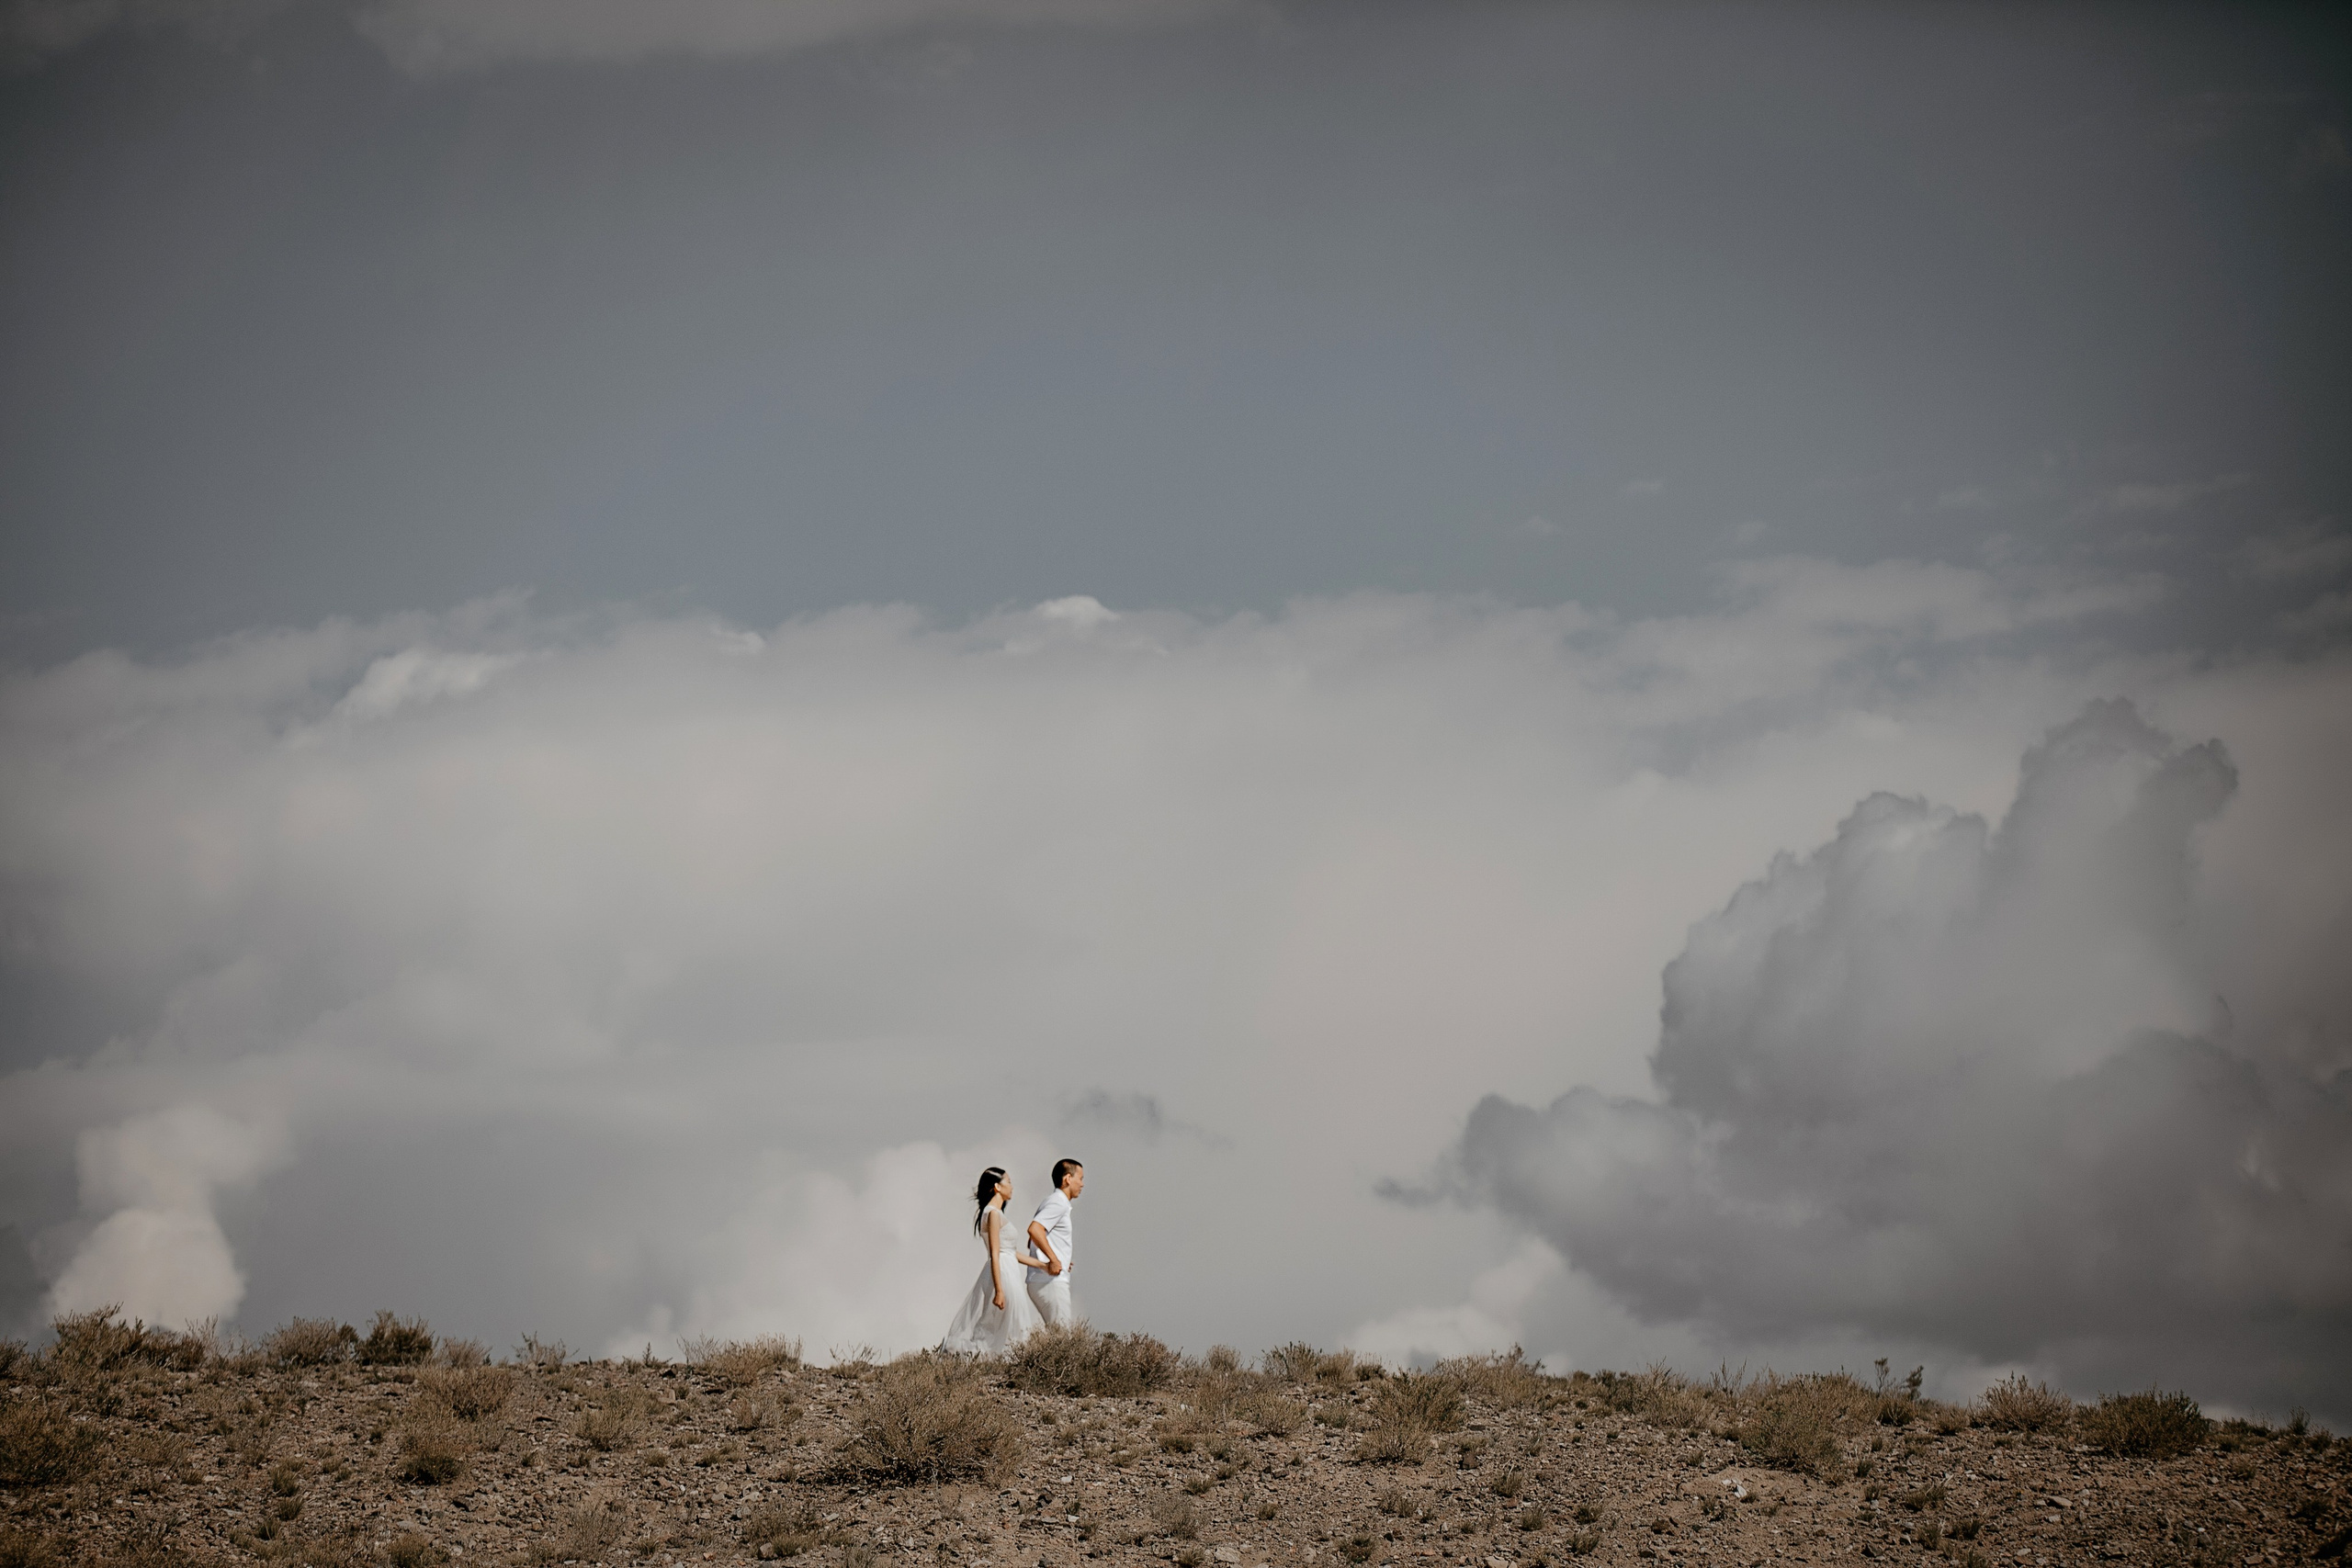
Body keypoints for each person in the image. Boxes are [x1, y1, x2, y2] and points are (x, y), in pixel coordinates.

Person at [940, 1166, 1047, 1356]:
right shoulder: (993, 1214)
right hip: (1003, 1273)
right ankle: (954, 1350)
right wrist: (999, 1290)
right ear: (997, 1187)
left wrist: (1043, 1265)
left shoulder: (995, 1213)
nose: (1012, 1187)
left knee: (1005, 1323)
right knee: (1004, 1322)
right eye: (1009, 1182)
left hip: (1007, 1269)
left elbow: (1010, 1252)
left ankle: (977, 1356)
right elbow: (995, 1254)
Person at [1023, 1157, 1083, 1330]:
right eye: (1080, 1178)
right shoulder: (1058, 1202)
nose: (1082, 1184)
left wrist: (1060, 1258)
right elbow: (1034, 1230)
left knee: (1059, 1337)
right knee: (1062, 1340)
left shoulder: (1052, 1202)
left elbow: (1032, 1240)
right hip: (1050, 1281)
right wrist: (1055, 1259)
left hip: (1044, 1279)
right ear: (1068, 1179)